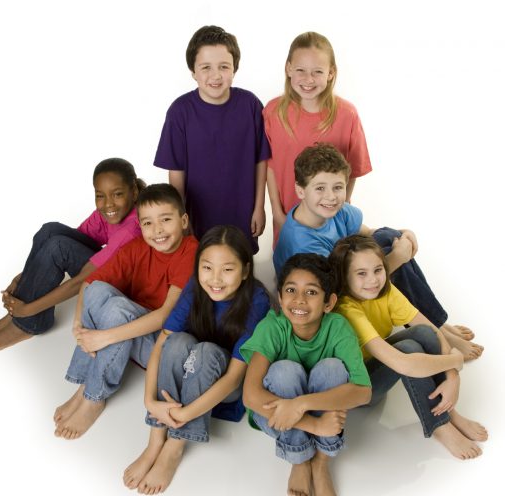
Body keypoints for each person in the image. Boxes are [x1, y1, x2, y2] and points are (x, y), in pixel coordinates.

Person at [273, 143, 483, 361]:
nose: (331, 196)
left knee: (386, 237)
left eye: (337, 187)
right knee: (388, 257)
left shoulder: (335, 211)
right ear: (300, 190)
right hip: (328, 294)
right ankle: (436, 327)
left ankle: (435, 322)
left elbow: (370, 233)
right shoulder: (302, 243)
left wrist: (402, 233)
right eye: (320, 188)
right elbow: (341, 289)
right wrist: (397, 258)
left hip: (346, 267)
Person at [123, 225, 270, 494]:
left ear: (246, 271)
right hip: (190, 378)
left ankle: (176, 445)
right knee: (178, 341)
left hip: (228, 388)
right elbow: (162, 344)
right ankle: (156, 440)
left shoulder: (257, 301)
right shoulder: (195, 288)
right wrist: (149, 401)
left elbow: (234, 378)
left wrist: (184, 415)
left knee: (207, 351)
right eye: (207, 267)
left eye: (228, 269)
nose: (215, 279)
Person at [53, 184, 198, 440]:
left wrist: (104, 337)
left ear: (183, 220)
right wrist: (78, 323)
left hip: (162, 344)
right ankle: (86, 381)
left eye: (166, 220)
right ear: (140, 225)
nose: (157, 231)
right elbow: (89, 284)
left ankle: (94, 397)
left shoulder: (190, 252)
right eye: (148, 223)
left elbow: (166, 316)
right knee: (97, 290)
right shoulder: (137, 247)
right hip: (128, 329)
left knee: (117, 308)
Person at [330, 235, 488, 459]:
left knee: (422, 335)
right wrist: (455, 360)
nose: (373, 280)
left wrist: (453, 378)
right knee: (408, 349)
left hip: (379, 362)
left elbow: (431, 329)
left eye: (377, 270)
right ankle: (439, 425)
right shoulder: (347, 308)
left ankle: (449, 410)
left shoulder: (385, 291)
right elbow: (402, 363)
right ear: (345, 278)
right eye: (361, 273)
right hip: (360, 388)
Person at [241, 253, 371, 496]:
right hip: (275, 417)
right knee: (284, 371)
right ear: (280, 296)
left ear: (328, 302)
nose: (299, 300)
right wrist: (315, 425)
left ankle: (321, 462)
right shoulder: (272, 327)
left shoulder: (338, 327)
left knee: (333, 368)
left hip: (303, 412)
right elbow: (250, 396)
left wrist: (301, 404)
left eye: (311, 292)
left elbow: (363, 392)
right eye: (291, 290)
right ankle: (299, 459)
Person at [0, 158, 145, 352]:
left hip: (125, 288)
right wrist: (22, 277)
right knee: (50, 231)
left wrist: (27, 310)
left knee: (58, 247)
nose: (108, 204)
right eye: (100, 196)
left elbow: (82, 279)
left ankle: (28, 322)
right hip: (108, 267)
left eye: (117, 194)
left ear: (134, 191)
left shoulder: (131, 230)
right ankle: (16, 313)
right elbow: (74, 241)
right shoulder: (108, 212)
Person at [154, 25, 270, 254]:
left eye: (224, 67)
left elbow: (261, 161)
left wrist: (259, 207)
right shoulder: (180, 112)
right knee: (202, 269)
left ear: (234, 69)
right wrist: (180, 219)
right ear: (193, 71)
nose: (215, 75)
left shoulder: (250, 105)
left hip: (241, 212)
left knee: (239, 270)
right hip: (199, 216)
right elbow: (176, 174)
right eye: (206, 67)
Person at [264, 31, 371, 244]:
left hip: (332, 222)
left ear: (331, 73)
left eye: (318, 72)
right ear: (288, 69)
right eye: (301, 70)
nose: (308, 80)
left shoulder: (347, 115)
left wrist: (341, 208)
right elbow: (270, 167)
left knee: (333, 273)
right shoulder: (273, 112)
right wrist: (277, 213)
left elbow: (353, 171)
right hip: (288, 222)